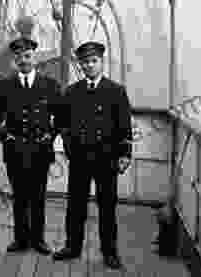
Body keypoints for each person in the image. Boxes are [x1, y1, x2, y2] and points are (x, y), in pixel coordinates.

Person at [52, 41, 132, 269]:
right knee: (75, 205)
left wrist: (125, 153)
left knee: (107, 207)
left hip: (107, 159)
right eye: (85, 62)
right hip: (80, 159)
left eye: (93, 61)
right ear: (80, 64)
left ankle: (109, 251)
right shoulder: (72, 92)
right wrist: (68, 146)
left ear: (101, 62)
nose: (89, 65)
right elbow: (62, 123)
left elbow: (124, 126)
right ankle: (72, 246)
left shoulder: (116, 91)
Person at [0, 37, 62, 255]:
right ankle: (20, 239)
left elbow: (61, 117)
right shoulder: (5, 85)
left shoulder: (50, 85)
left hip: (40, 150)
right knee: (19, 196)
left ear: (35, 57)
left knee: (38, 196)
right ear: (14, 60)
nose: (23, 60)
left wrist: (50, 136)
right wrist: (4, 137)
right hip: (15, 150)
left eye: (27, 56)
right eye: (19, 57)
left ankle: (38, 239)